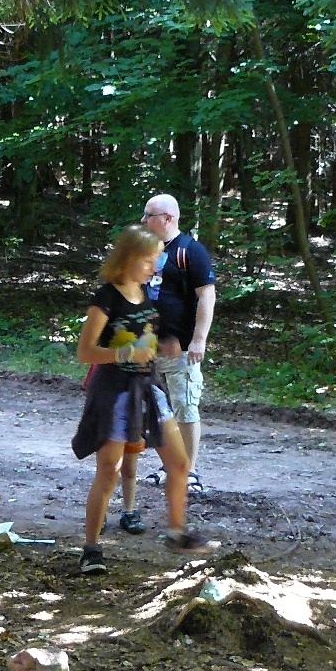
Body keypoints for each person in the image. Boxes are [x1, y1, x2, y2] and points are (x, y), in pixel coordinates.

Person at [72, 225, 211, 573]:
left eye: (157, 260)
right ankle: (91, 549)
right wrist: (125, 354)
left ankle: (177, 533)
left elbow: (141, 335)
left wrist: (161, 344)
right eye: (149, 260)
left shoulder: (144, 291)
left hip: (148, 387)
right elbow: (85, 352)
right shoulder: (106, 297)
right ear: (128, 259)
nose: (155, 267)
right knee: (109, 471)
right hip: (115, 390)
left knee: (179, 464)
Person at [129, 192, 216, 511]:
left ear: (167, 218)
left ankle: (188, 472)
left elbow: (206, 296)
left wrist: (199, 339)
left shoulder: (190, 251)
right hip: (148, 349)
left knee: (185, 408)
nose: (143, 220)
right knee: (157, 411)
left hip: (180, 350)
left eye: (148, 215)